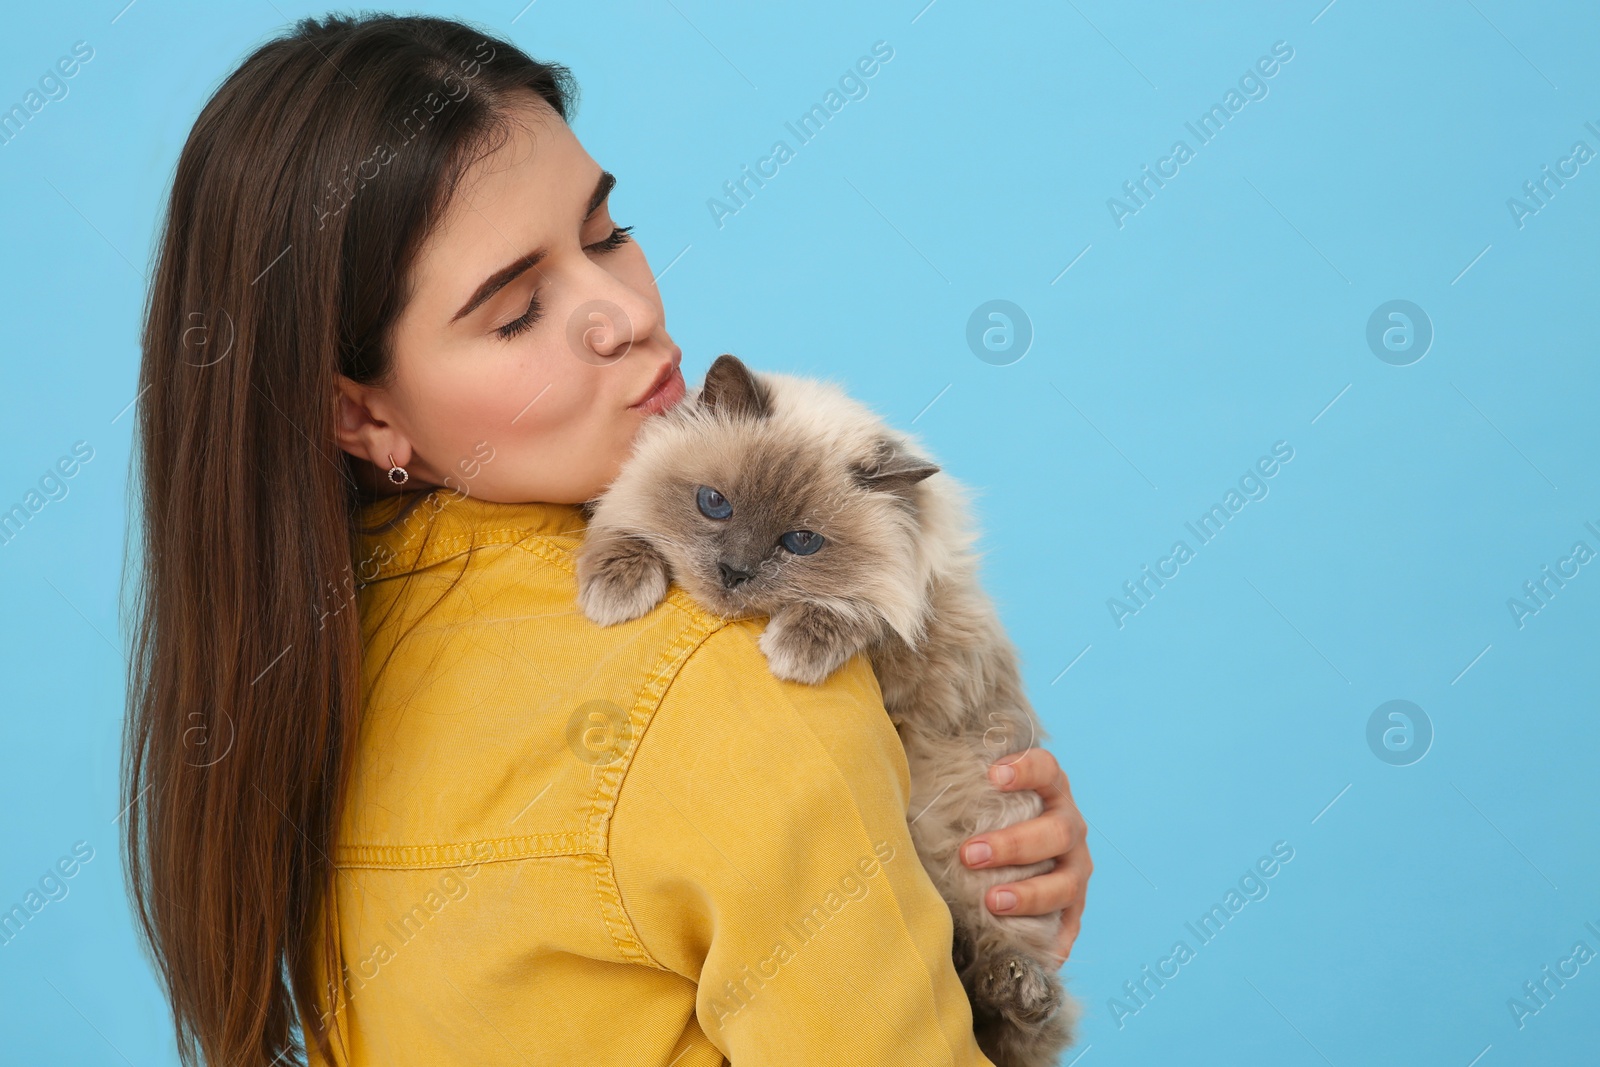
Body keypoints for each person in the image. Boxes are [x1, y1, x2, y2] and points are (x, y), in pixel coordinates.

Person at [120, 13, 1091, 1066]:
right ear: (364, 417)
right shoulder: (734, 680)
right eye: (518, 311)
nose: (623, 313)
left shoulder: (295, 670)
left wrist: (933, 853)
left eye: (606, 235)